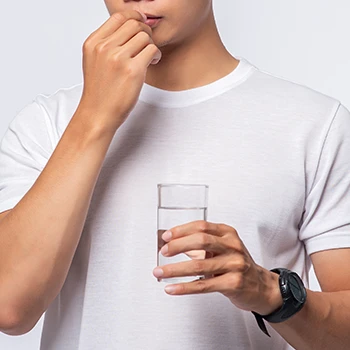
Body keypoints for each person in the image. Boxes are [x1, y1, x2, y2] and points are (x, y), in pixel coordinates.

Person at [0, 1, 349, 349]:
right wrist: (94, 117)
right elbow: (9, 307)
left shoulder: (313, 125)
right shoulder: (48, 124)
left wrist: (268, 291)